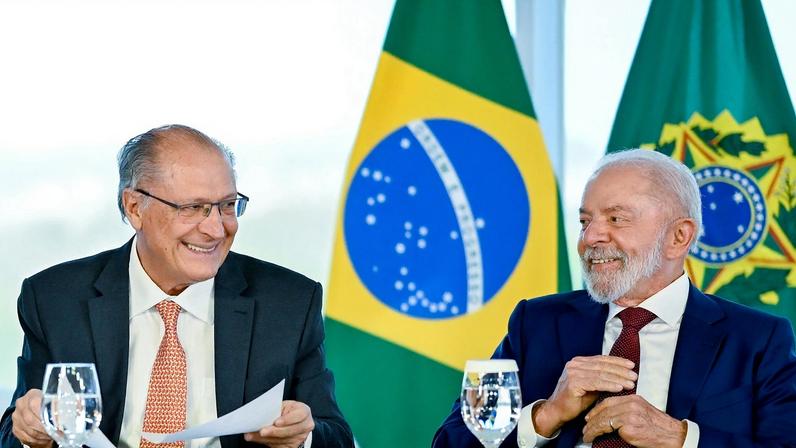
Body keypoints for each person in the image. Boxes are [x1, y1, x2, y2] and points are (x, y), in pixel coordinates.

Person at [0, 125, 353, 448]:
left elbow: (334, 437)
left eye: (227, 206)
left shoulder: (289, 302)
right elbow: (14, 434)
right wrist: (32, 433)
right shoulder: (54, 299)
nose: (216, 229)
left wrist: (303, 436)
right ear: (135, 207)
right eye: (194, 208)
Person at [433, 149, 796, 447]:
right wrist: (546, 415)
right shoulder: (534, 323)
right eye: (585, 221)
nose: (591, 238)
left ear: (679, 237)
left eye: (616, 219)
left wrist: (681, 438)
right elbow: (451, 441)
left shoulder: (759, 341)